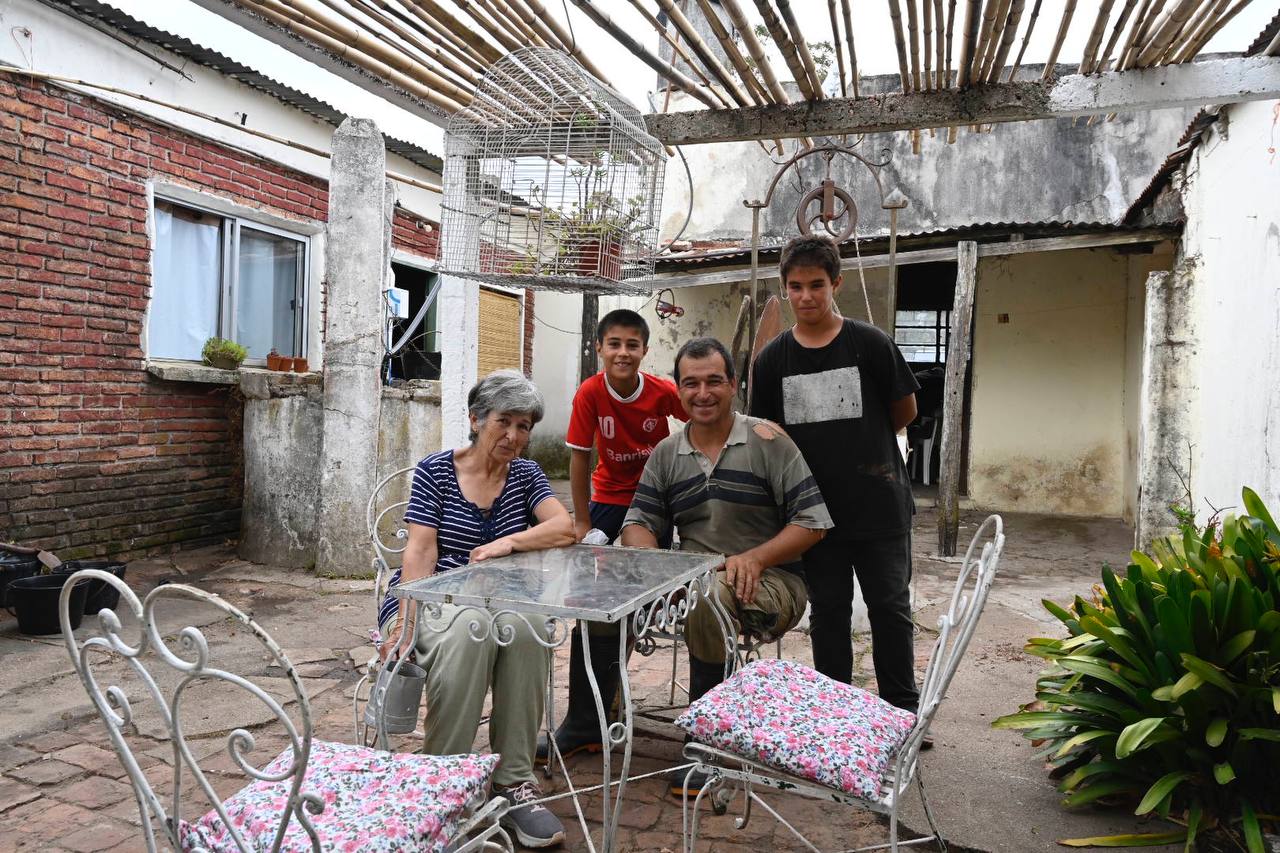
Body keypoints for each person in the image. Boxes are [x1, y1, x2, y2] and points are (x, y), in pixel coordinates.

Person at [621, 337, 833, 797]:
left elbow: (813, 523)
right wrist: (656, 566)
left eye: (714, 381)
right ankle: (587, 722)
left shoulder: (770, 442)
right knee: (604, 593)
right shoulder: (667, 453)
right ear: (677, 390)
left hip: (774, 581)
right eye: (690, 383)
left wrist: (755, 557)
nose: (703, 393)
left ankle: (705, 741)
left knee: (706, 598)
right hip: (694, 578)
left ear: (733, 385)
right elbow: (638, 521)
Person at [378, 370, 573, 849]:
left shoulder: (526, 475)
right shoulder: (436, 471)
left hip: (502, 600)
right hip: (431, 597)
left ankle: (513, 782)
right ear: (474, 419)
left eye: (524, 425)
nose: (513, 436)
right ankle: (444, 785)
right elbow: (420, 554)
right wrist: (404, 622)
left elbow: (565, 527)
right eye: (503, 422)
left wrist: (508, 542)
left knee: (528, 625)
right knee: (471, 629)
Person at [749, 234, 923, 722]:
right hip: (813, 517)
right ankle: (835, 713)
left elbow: (904, 409)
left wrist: (858, 445)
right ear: (785, 289)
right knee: (828, 615)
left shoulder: (870, 344)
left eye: (816, 285)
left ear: (836, 284)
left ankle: (900, 713)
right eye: (796, 287)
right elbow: (767, 433)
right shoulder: (772, 361)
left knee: (890, 609)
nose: (806, 297)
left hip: (879, 505)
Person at [538, 309, 686, 762]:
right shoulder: (590, 393)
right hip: (608, 499)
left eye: (632, 345)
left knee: (648, 594)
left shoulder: (663, 391)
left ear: (644, 350)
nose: (623, 352)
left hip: (657, 499)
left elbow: (704, 419)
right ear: (600, 348)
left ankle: (627, 690)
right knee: (591, 601)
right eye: (614, 344)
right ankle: (588, 718)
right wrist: (583, 522)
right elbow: (580, 460)